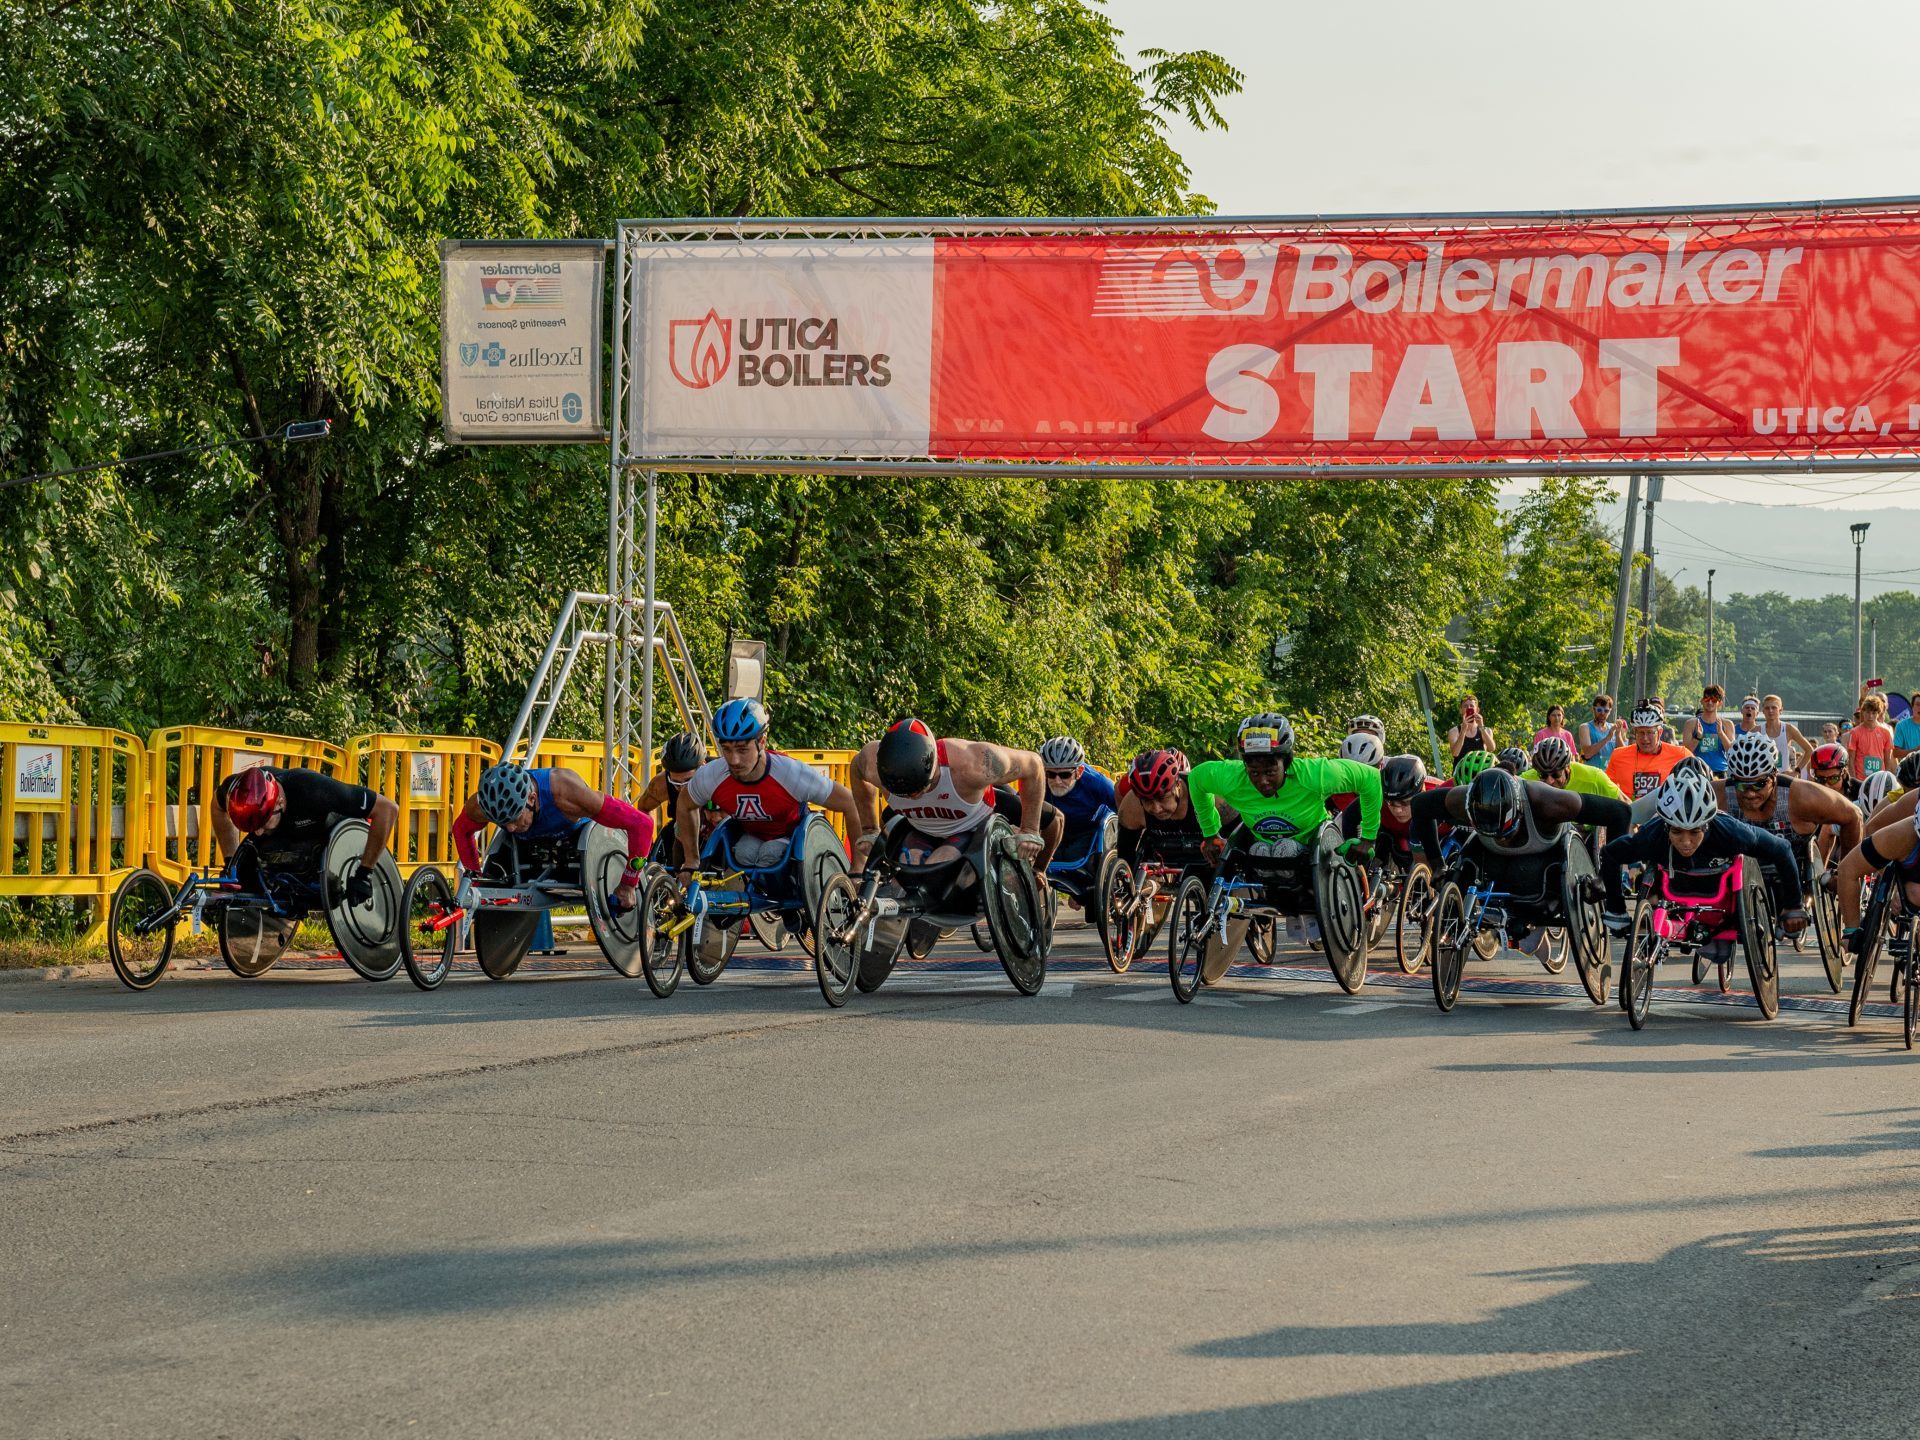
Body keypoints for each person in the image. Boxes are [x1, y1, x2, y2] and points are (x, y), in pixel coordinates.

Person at [1411, 765, 1632, 958]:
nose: (1502, 839)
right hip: (1493, 856)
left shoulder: (1548, 801)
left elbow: (1620, 812)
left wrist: (1605, 879)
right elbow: (1420, 805)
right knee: (1466, 862)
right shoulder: (1462, 799)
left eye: (1506, 832)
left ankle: (1533, 920)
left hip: (1545, 855)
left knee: (1525, 876)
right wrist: (1437, 865)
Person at [1601, 765, 1806, 936]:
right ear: (1666, 826)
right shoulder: (1652, 835)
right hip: (1674, 887)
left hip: (1722, 900)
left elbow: (1782, 848)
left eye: (1694, 832)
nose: (1686, 842)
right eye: (1677, 832)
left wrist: (1793, 905)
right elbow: (1610, 853)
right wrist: (1616, 909)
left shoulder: (1731, 831)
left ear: (1707, 825)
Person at [674, 698, 865, 880]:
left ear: (762, 742)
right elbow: (684, 804)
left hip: (793, 837)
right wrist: (691, 860)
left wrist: (857, 867)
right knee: (744, 853)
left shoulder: (791, 773)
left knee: (771, 853)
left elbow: (850, 803)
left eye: (742, 749)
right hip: (753, 836)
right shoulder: (712, 775)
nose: (734, 760)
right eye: (727, 749)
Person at [853, 718, 1060, 869]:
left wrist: (1029, 829)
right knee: (907, 869)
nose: (912, 798)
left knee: (940, 864)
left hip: (973, 826)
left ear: (934, 768)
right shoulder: (870, 762)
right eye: (903, 794)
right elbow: (855, 769)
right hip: (920, 827)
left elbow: (1033, 765)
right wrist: (869, 828)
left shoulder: (975, 764)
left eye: (918, 791)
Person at [455, 759, 657, 912]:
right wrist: (475, 877)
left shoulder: (567, 792)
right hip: (528, 853)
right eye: (502, 822)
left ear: (532, 798)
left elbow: (643, 825)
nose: (510, 828)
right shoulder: (482, 805)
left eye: (515, 818)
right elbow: (461, 830)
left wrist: (628, 884)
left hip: (576, 842)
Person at [1187, 714, 1381, 870]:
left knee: (1286, 848)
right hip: (1262, 852)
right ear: (1245, 766)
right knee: (1259, 850)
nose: (1263, 781)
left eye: (1270, 772)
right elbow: (1195, 779)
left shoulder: (1314, 775)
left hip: (1313, 848)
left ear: (1286, 763)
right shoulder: (1232, 777)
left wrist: (1368, 838)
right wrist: (1210, 834)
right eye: (1254, 773)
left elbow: (1371, 778)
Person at [213, 764, 399, 910]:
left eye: (262, 823)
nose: (258, 832)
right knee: (244, 868)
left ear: (279, 802)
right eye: (252, 827)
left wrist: (364, 873)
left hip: (326, 836)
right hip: (287, 835)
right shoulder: (236, 790)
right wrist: (231, 862)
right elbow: (216, 805)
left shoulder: (314, 789)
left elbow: (387, 809)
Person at [1715, 728, 1860, 905]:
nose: (1750, 793)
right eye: (1742, 786)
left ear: (1774, 776)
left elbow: (1853, 815)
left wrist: (1845, 873)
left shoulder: (1801, 796)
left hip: (1793, 877)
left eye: (1759, 784)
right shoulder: (1719, 795)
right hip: (1738, 880)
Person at [1116, 748, 1225, 867]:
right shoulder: (1131, 806)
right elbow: (1125, 860)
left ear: (1178, 785)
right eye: (1147, 801)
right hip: (1159, 864)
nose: (1157, 809)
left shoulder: (1212, 796)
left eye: (1162, 798)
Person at [1037, 735, 1119, 883]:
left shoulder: (1097, 782)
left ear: (1079, 771)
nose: (1057, 781)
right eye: (1051, 774)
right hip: (1054, 829)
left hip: (1088, 831)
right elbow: (1020, 805)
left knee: (1071, 855)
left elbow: (1123, 809)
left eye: (1065, 775)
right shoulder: (1039, 780)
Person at [645, 732, 719, 865]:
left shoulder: (721, 775)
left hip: (718, 830)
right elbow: (643, 810)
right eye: (676, 783)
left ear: (703, 766)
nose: (684, 789)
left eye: (689, 781)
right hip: (681, 833)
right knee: (673, 832)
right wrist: (647, 847)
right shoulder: (661, 784)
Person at [1605, 702, 1692, 801]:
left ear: (1660, 732)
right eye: (1641, 732)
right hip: (1630, 809)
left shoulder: (1681, 754)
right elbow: (1606, 790)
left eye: (1650, 732)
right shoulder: (1618, 755)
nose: (1645, 738)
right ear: (1635, 732)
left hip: (1664, 810)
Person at [1681, 684, 1735, 775]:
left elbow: (1731, 752)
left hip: (1720, 771)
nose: (1710, 702)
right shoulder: (1691, 724)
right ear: (1702, 701)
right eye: (1707, 699)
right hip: (1697, 772)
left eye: (1714, 700)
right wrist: (1697, 738)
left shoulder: (1727, 724)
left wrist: (1721, 733)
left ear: (1720, 703)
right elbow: (1685, 753)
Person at [1759, 694, 1811, 775]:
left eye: (1774, 707)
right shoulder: (1756, 731)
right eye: (1767, 708)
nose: (1770, 711)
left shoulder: (1789, 729)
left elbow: (1809, 750)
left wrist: (1796, 771)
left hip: (1784, 777)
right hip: (1763, 777)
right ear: (1763, 711)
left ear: (1781, 710)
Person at [1850, 691, 1895, 781]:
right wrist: (1854, 780)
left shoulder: (1886, 732)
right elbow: (1851, 760)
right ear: (1862, 712)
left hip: (1879, 779)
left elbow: (1888, 760)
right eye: (1867, 712)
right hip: (1860, 780)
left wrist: (1885, 779)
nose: (1870, 716)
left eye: (1874, 713)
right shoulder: (1854, 732)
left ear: (1879, 713)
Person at [1578, 694, 1627, 768]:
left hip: (1609, 772)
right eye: (1599, 710)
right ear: (1593, 709)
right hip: (1592, 773)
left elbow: (1624, 754)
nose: (1602, 713)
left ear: (1610, 712)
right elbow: (1587, 754)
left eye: (1606, 711)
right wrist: (1607, 738)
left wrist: (1618, 734)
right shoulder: (1585, 727)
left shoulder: (1613, 728)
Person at [1447, 694, 1494, 762]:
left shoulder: (1487, 730)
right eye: (1465, 706)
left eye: (1472, 706)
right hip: (1461, 768)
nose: (1469, 708)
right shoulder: (1454, 732)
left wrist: (1481, 727)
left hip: (1480, 768)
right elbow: (1455, 753)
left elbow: (1491, 748)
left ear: (1477, 710)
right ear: (1460, 710)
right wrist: (1463, 731)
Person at [1895, 692, 1920, 763]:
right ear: (1912, 706)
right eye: (1918, 704)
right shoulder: (1901, 726)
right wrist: (1915, 751)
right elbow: (1895, 753)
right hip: (1908, 767)